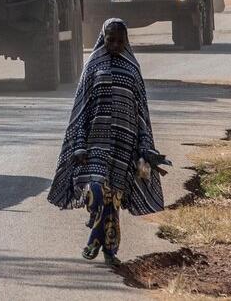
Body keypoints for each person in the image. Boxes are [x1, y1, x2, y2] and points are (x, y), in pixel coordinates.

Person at [48, 18, 167, 267]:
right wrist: (79, 145)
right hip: (94, 145)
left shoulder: (133, 69)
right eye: (110, 40)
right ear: (103, 38)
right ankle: (96, 237)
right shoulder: (93, 66)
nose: (114, 45)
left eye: (119, 41)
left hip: (125, 147)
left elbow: (141, 114)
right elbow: (81, 110)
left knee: (113, 201)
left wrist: (146, 149)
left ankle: (108, 249)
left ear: (126, 41)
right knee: (98, 192)